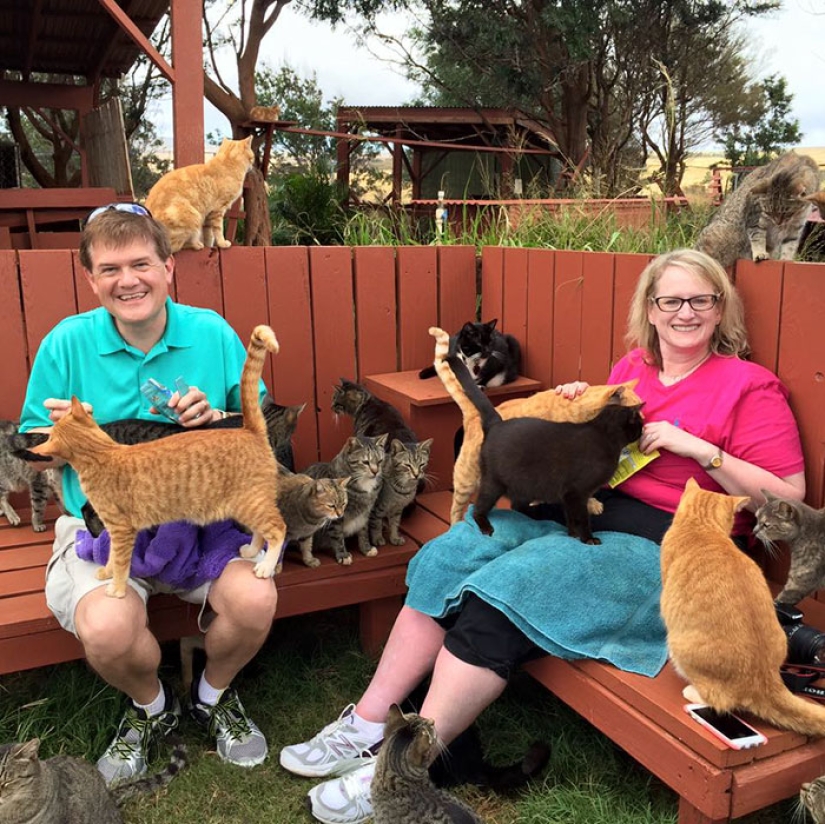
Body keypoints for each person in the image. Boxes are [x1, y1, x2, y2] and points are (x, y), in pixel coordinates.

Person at [279, 248, 806, 824]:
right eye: (670, 300)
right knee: (451, 557)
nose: (685, 312)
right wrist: (576, 407)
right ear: (650, 310)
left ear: (720, 308)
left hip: (674, 543)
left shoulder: (750, 386)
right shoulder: (633, 369)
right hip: (586, 512)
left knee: (505, 592)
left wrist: (702, 449)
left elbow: (790, 497)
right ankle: (367, 723)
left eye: (700, 299)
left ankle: (403, 771)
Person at [19, 203, 277, 785]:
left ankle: (212, 697)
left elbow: (258, 428)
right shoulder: (67, 343)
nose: (127, 280)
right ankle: (150, 707)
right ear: (91, 279)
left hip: (201, 518)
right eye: (109, 269)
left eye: (141, 263)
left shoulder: (211, 332)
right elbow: (29, 442)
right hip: (102, 526)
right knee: (108, 629)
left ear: (168, 267)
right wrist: (60, 432)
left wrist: (216, 418)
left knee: (256, 600)